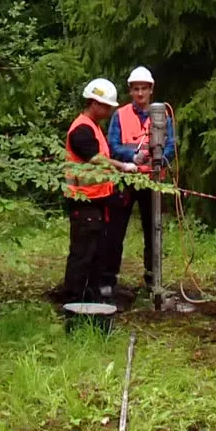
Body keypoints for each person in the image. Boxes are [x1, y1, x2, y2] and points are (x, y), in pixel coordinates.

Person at [63, 78, 140, 304]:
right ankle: (73, 299)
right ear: (93, 102)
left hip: (97, 200)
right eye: (105, 106)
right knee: (83, 253)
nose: (108, 111)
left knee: (96, 253)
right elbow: (96, 160)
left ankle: (91, 296)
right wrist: (124, 166)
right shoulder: (82, 130)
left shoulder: (94, 127)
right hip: (83, 200)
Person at [102, 65, 176, 297]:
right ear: (130, 91)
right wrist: (131, 156)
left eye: (144, 89)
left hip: (152, 180)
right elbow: (112, 145)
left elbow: (171, 144)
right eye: (136, 89)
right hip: (126, 178)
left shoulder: (163, 114)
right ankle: (108, 279)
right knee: (115, 230)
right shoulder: (120, 115)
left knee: (153, 230)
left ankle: (153, 279)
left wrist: (159, 160)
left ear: (151, 90)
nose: (140, 93)